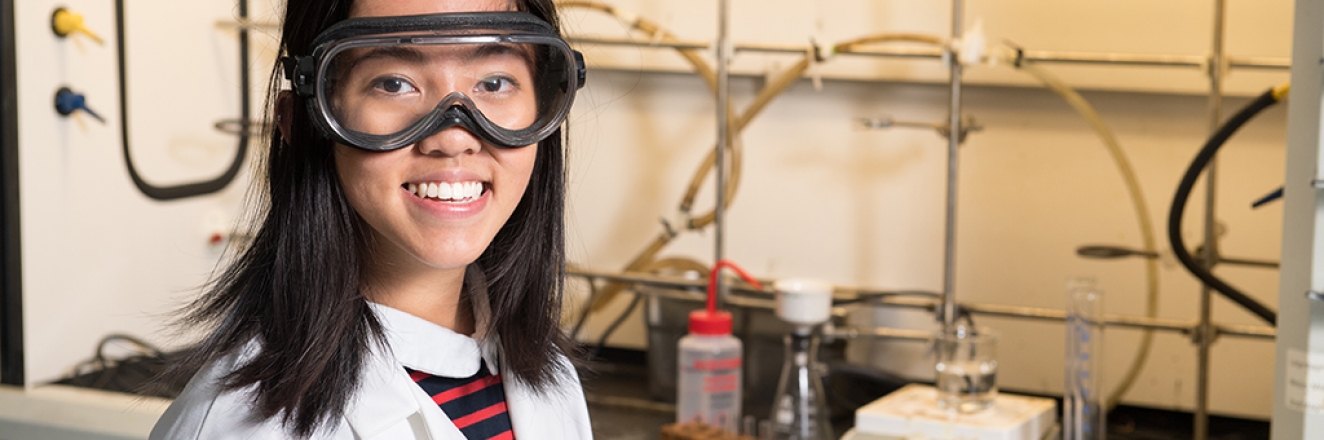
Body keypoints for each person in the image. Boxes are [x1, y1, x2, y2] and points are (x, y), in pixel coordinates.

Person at [150, 0, 590, 438]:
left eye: (494, 82)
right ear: (304, 119)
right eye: (394, 83)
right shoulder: (248, 426)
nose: (454, 138)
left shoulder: (547, 376)